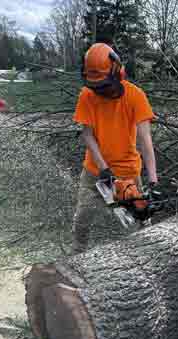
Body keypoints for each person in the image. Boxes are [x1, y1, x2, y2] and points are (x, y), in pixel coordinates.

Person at [72, 43, 159, 253]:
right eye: (97, 87)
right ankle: (77, 252)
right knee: (83, 214)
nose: (100, 91)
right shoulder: (87, 95)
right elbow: (87, 133)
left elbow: (145, 140)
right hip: (94, 170)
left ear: (117, 72)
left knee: (141, 219)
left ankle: (146, 254)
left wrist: (154, 180)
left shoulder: (135, 96)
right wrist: (103, 169)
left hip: (128, 172)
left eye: (104, 85)